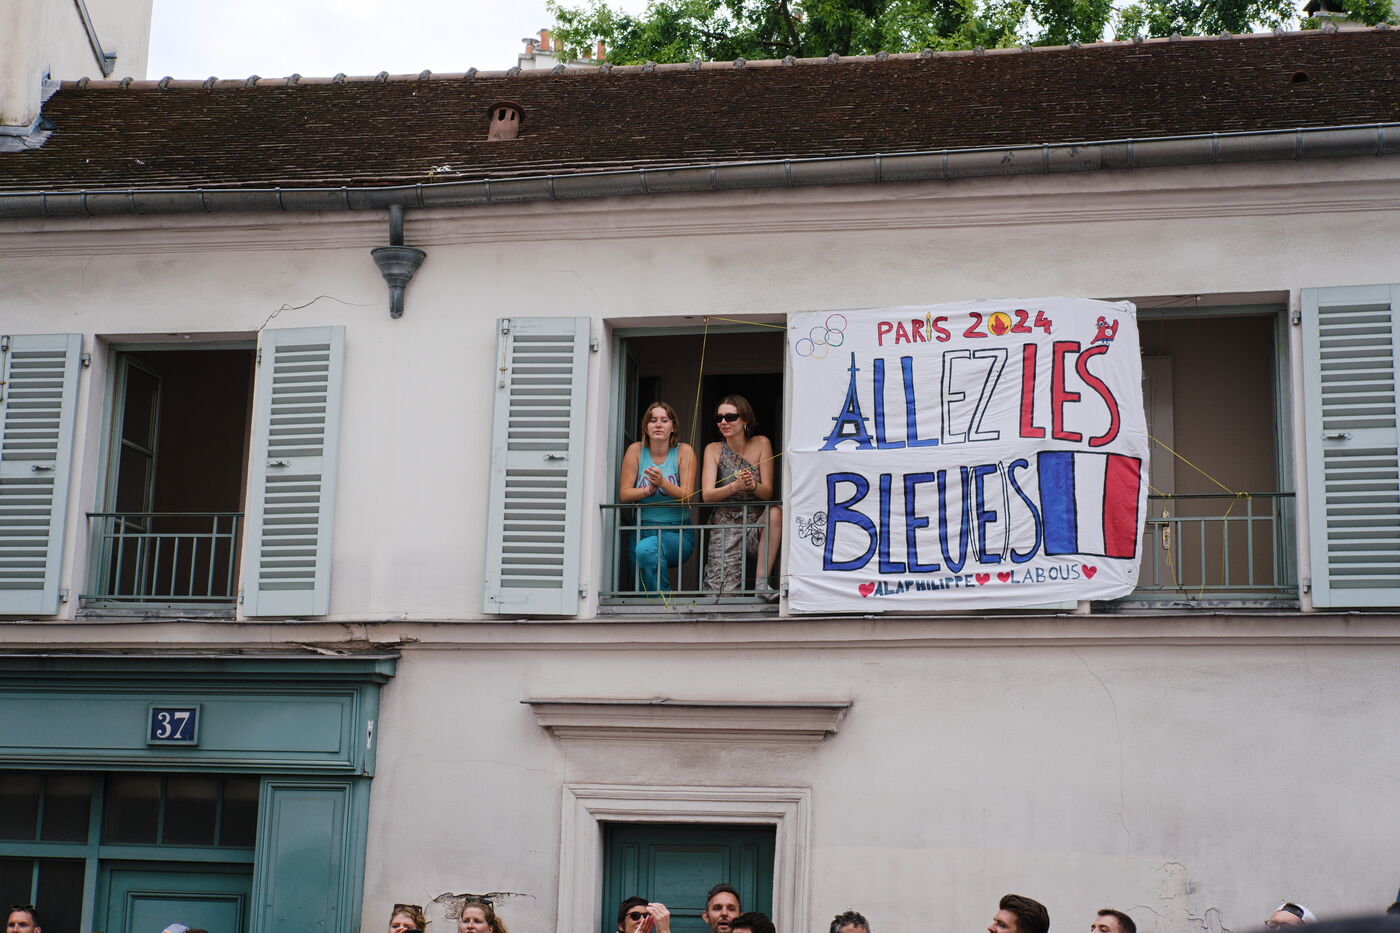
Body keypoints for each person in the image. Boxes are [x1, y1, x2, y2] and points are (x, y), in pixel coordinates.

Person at [701, 395, 782, 599]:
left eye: (730, 417)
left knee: (775, 512)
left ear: (745, 418)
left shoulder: (762, 443)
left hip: (755, 522)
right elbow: (707, 495)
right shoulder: (713, 449)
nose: (723, 422)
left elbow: (768, 492)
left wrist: (752, 485)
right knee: (721, 594)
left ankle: (762, 584)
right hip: (725, 523)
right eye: (719, 418)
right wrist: (734, 487)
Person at [620, 401, 697, 592]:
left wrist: (662, 483)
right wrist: (648, 490)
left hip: (677, 531)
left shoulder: (683, 451)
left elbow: (688, 495)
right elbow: (624, 494)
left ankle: (662, 603)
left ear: (673, 427)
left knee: (647, 549)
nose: (658, 425)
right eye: (653, 420)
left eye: (664, 420)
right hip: (641, 529)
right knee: (640, 590)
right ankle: (653, 606)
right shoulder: (636, 450)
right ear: (646, 427)